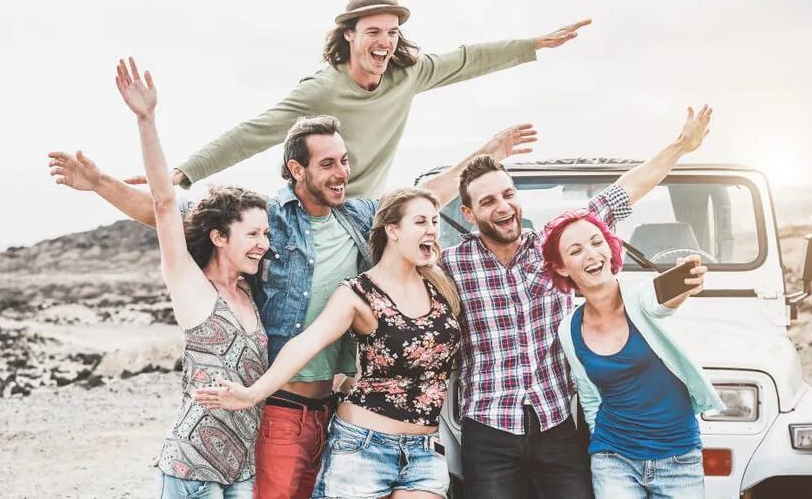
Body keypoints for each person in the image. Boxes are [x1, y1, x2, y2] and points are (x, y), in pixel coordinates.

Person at [48, 68, 537, 499]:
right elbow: (168, 216)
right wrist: (101, 184)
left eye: (344, 161)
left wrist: (486, 155)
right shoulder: (265, 225)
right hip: (282, 407)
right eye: (328, 164)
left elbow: (421, 201)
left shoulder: (359, 218)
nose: (342, 173)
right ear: (296, 170)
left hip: (341, 408)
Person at [439, 105, 714, 498]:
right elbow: (408, 218)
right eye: (487, 202)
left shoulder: (555, 250)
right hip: (489, 428)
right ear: (467, 213)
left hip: (557, 423)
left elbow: (622, 194)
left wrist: (681, 146)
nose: (502, 206)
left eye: (507, 194)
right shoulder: (450, 265)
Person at [147, 0, 588, 198]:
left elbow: (469, 58)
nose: (385, 41)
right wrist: (184, 172)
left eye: (392, 32)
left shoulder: (407, 74)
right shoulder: (322, 89)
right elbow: (254, 131)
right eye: (374, 31)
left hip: (366, 211)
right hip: (314, 209)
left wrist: (533, 45)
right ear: (349, 37)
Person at [195, 188, 463, 499]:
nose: (431, 229)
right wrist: (252, 394)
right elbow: (306, 343)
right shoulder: (358, 293)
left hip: (425, 451)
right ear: (392, 230)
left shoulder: (441, 285)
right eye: (420, 222)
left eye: (434, 220)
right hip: (364, 448)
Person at [112, 57, 269, 499]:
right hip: (190, 467)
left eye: (267, 233)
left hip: (240, 470)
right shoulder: (192, 287)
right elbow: (164, 204)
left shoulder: (249, 295)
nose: (264, 243)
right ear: (219, 236)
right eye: (253, 234)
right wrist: (147, 119)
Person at [542, 210, 724, 498]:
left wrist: (684, 281)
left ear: (610, 248)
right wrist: (600, 448)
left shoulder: (640, 296)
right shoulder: (569, 329)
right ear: (563, 267)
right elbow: (589, 397)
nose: (591, 254)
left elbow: (660, 300)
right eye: (576, 250)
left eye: (596, 242)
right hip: (613, 459)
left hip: (678, 456)